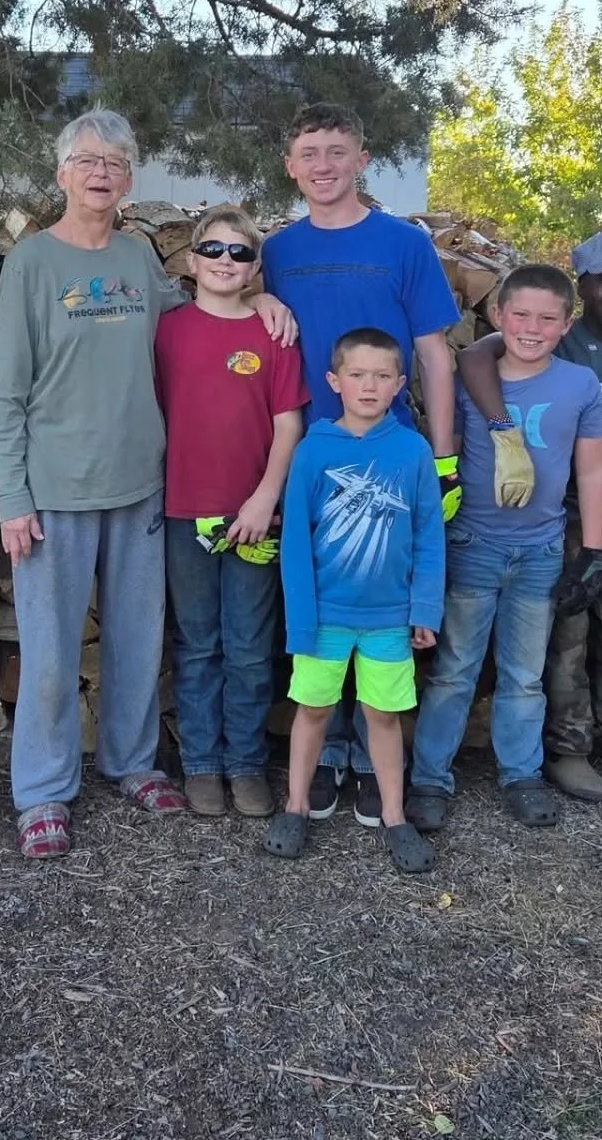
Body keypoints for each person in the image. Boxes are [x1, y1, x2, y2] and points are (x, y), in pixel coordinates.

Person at [0, 109, 295, 860]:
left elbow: (200, 319)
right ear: (62, 173)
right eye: (88, 160)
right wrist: (12, 498)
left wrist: (259, 299)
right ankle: (43, 791)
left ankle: (131, 763)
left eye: (115, 162)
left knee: (136, 640)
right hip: (56, 487)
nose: (101, 173)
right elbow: (7, 391)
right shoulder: (30, 263)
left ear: (129, 179)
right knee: (51, 654)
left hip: (142, 487)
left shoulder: (137, 258)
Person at [259, 102, 492, 824]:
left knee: (381, 600)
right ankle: (326, 754)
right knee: (321, 601)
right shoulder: (277, 252)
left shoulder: (404, 245)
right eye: (309, 154)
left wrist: (444, 459)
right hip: (310, 454)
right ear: (290, 167)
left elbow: (434, 356)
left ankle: (369, 756)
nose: (323, 166)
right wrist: (261, 294)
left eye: (337, 151)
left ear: (361, 160)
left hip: (388, 454)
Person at [458, 233, 602, 801]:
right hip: (556, 510)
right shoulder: (555, 336)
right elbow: (475, 355)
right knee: (566, 634)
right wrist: (504, 434)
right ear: (581, 287)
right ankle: (570, 749)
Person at [408, 265, 602, 832]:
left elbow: (592, 471)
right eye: (520, 314)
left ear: (567, 324)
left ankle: (521, 773)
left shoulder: (580, 385)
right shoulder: (474, 381)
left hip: (540, 550)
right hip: (473, 543)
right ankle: (429, 777)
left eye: (548, 318)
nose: (532, 328)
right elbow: (448, 451)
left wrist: (592, 552)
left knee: (524, 673)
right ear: (497, 316)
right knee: (454, 669)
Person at [263, 329, 444, 872]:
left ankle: (394, 815)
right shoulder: (314, 450)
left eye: (382, 376)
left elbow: (429, 537)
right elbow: (296, 544)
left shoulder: (413, 451)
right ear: (334, 381)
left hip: (388, 618)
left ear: (399, 384)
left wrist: (424, 609)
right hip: (326, 618)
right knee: (313, 709)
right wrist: (301, 621)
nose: (369, 386)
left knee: (382, 715)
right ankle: (296, 806)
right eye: (357, 375)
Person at [154, 206, 307, 820]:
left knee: (248, 647)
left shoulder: (274, 335)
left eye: (240, 253)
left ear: (254, 268)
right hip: (182, 512)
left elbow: (288, 423)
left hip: (253, 514)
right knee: (197, 646)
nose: (225, 261)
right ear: (191, 262)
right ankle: (201, 764)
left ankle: (245, 763)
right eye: (213, 250)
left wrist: (266, 496)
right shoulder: (165, 330)